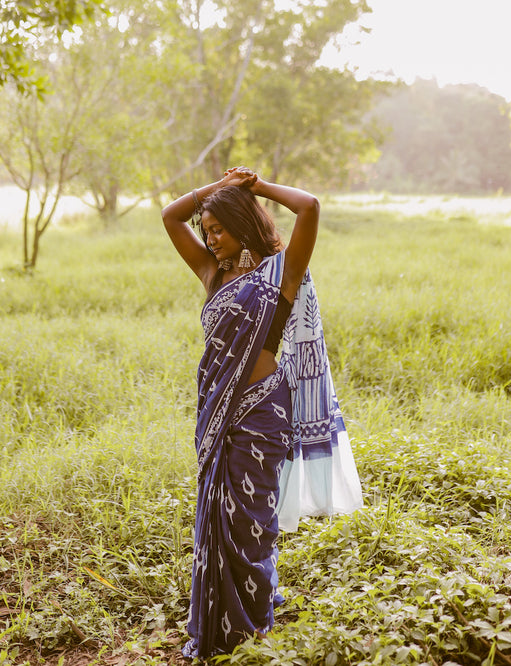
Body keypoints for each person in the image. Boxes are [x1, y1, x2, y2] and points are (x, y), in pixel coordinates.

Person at [161, 167, 363, 659]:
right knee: (216, 518)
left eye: (218, 229)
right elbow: (170, 217)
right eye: (206, 231)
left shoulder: (282, 271)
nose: (210, 240)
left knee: (252, 519)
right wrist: (218, 189)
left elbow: (309, 206)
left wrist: (254, 188)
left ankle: (251, 625)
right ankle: (215, 625)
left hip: (262, 412)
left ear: (245, 225)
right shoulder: (213, 274)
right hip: (217, 411)